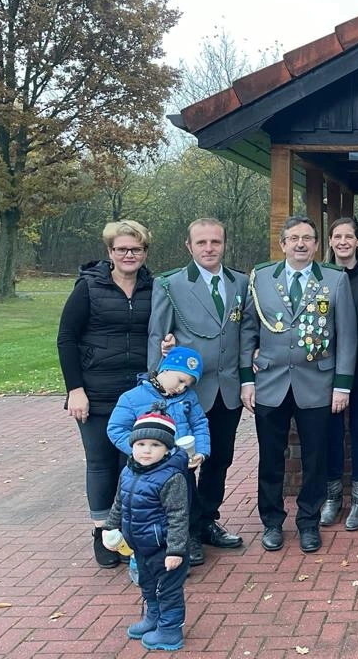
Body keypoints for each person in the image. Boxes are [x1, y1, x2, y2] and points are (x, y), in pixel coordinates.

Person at [242, 215, 357, 554]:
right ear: (283, 244)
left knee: (315, 458)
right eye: (294, 238)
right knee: (270, 458)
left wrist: (343, 385)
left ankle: (308, 521)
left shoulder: (335, 280)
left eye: (308, 238)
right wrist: (247, 380)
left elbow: (347, 336)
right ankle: (272, 523)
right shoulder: (261, 278)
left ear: (317, 245)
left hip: (317, 383)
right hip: (270, 382)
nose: (301, 244)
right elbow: (248, 330)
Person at [147, 218, 253, 566]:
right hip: (185, 394)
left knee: (219, 458)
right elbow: (157, 335)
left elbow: (244, 334)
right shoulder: (171, 284)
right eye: (202, 242)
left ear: (224, 244)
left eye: (216, 242)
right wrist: (157, 388)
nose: (209, 248)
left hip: (227, 389)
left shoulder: (239, 282)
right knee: (181, 463)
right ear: (188, 246)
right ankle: (186, 532)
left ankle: (207, 520)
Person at [57, 219, 154, 569]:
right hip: (96, 392)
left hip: (141, 392)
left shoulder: (153, 288)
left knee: (132, 462)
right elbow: (66, 338)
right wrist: (75, 390)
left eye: (136, 249)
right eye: (122, 249)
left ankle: (126, 529)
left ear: (144, 252)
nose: (129, 254)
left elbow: (160, 332)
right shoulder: (88, 288)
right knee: (100, 463)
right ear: (110, 252)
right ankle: (102, 532)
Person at [103, 411, 190, 651]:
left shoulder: (172, 478)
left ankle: (170, 631)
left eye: (155, 445)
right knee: (147, 584)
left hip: (165, 549)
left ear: (167, 449)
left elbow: (178, 516)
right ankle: (153, 618)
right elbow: (119, 503)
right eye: (140, 444)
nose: (146, 450)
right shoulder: (128, 471)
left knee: (168, 590)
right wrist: (110, 526)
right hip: (140, 546)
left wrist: (176, 550)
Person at [321, 217, 358, 531]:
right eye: (337, 236)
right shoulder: (321, 276)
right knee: (330, 434)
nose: (343, 242)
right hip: (326, 370)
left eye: (349, 237)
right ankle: (333, 497)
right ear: (330, 241)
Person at [108, 347, 211, 467]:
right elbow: (116, 429)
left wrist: (201, 452)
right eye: (181, 380)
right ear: (166, 369)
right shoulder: (132, 398)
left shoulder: (189, 397)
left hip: (182, 464)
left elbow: (199, 424)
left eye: (186, 386)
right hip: (146, 467)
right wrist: (141, 452)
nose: (181, 388)